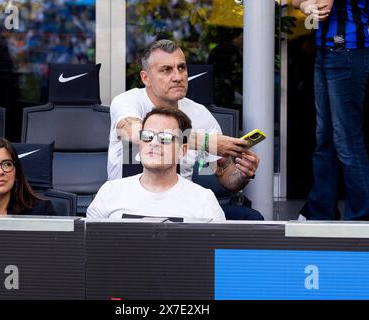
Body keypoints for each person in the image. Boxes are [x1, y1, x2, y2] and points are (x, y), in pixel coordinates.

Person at [107, 39, 262, 220]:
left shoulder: (200, 115)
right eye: (166, 70)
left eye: (181, 68)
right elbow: (134, 132)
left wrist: (242, 174)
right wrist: (206, 142)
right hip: (126, 205)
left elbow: (224, 175)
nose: (178, 77)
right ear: (145, 78)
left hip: (180, 208)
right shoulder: (128, 101)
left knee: (251, 218)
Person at [293, 0, 369, 220]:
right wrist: (303, 4)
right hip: (328, 50)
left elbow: (322, 4)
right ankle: (320, 211)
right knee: (326, 138)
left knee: (345, 139)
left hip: (348, 51)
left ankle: (364, 218)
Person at [87, 107, 225, 221]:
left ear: (182, 151)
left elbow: (220, 250)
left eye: (165, 138)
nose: (153, 143)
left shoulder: (204, 200)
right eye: (147, 136)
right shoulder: (109, 192)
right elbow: (87, 248)